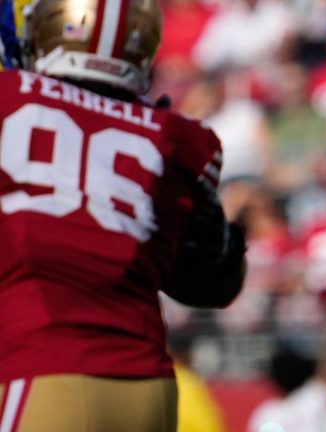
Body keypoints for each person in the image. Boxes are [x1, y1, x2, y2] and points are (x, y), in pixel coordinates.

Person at [0, 0, 246, 430]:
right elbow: (214, 280)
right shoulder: (180, 139)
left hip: (43, 363)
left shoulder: (9, 99)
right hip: (147, 385)